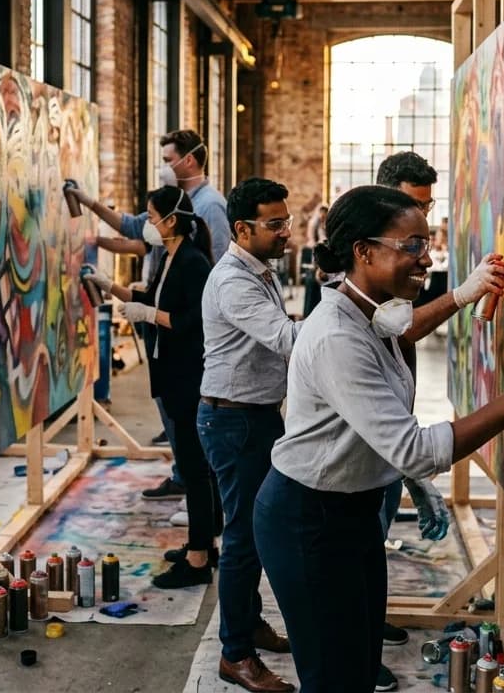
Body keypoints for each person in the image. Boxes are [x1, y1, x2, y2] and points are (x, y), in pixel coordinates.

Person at [252, 186, 504, 693]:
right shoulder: (338, 337)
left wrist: (400, 476)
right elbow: (415, 447)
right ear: (364, 252)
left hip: (352, 509)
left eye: (425, 243)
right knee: (333, 677)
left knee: (360, 664)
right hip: (309, 520)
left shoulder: (374, 315)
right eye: (411, 245)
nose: (425, 257)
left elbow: (388, 388)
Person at [371, 151, 504, 686]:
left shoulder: (403, 251)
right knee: (355, 544)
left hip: (389, 416)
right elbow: (397, 331)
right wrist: (461, 294)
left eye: (428, 209)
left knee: (373, 533)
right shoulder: (358, 255)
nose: (421, 224)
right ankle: (352, 648)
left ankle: (368, 620)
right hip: (366, 427)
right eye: (411, 207)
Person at [67, 129, 230, 502]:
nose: (164, 167)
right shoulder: (171, 209)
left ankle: (196, 486)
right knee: (171, 411)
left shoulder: (208, 210)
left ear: (189, 160)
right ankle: (185, 477)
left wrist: (154, 310)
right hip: (162, 319)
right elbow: (132, 229)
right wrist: (90, 211)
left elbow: (211, 280)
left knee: (187, 415)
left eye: (168, 160)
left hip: (182, 326)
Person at [83, 186, 218, 588]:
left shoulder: (193, 262)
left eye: (152, 218)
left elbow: (191, 320)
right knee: (196, 466)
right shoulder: (169, 257)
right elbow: (148, 297)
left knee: (195, 468)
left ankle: (198, 560)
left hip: (187, 374)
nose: (148, 225)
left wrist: (149, 314)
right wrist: (109, 287)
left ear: (171, 221)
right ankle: (204, 544)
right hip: (171, 370)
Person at [197, 178, 300, 693]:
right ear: (242, 229)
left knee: (256, 529)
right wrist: (355, 314)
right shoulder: (234, 281)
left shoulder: (258, 271)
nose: (287, 231)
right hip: (234, 421)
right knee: (241, 537)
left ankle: (248, 624)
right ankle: (235, 654)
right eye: (275, 224)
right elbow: (286, 339)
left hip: (254, 415)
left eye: (287, 220)